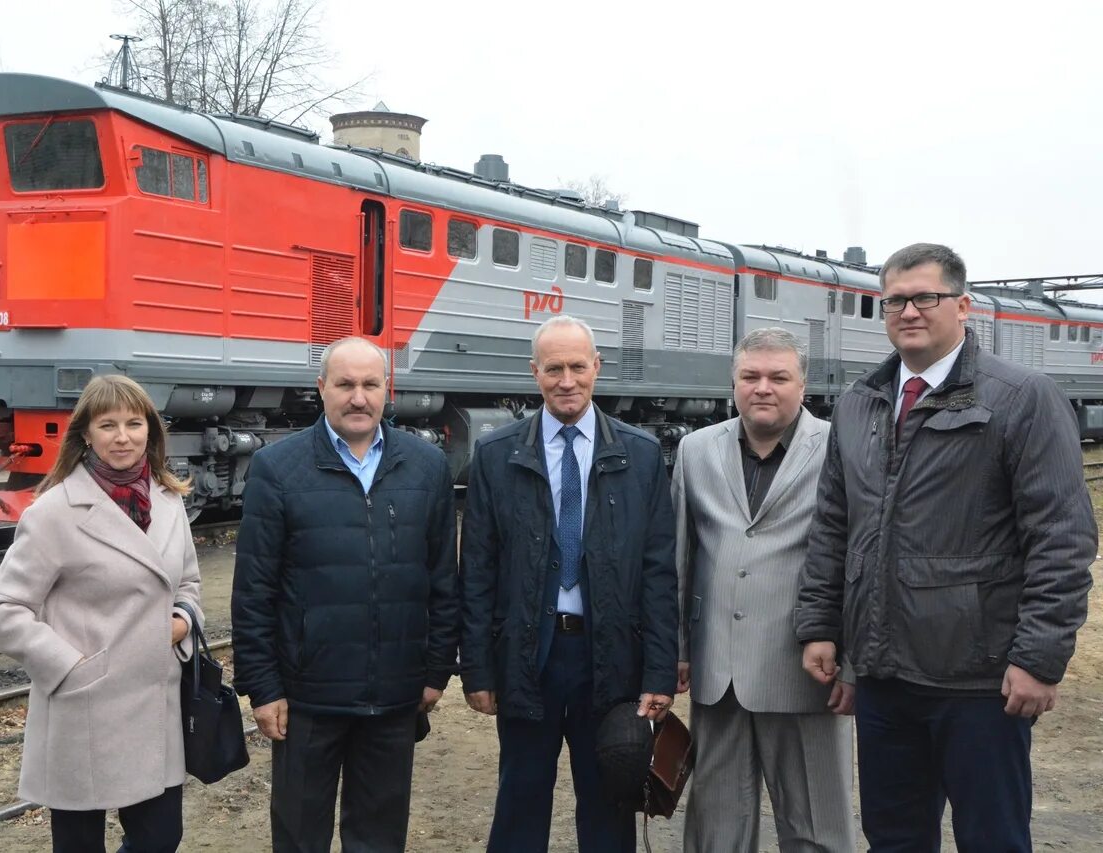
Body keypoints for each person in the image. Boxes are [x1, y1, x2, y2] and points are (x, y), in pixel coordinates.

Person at [795, 243, 1096, 852]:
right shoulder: (860, 404)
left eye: (925, 298)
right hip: (884, 677)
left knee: (992, 837)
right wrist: (821, 627)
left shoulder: (1020, 398)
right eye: (895, 301)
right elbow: (833, 525)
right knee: (894, 838)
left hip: (979, 681)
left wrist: (1038, 659)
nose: (909, 311)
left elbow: (1062, 538)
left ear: (962, 306)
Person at [459, 314, 679, 853]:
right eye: (553, 368)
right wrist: (477, 669)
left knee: (609, 797)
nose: (566, 380)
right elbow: (478, 571)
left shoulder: (640, 454)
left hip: (608, 656)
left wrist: (658, 671)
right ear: (534, 373)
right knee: (520, 797)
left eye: (577, 367)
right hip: (527, 655)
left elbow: (657, 570)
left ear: (597, 368)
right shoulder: (496, 455)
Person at [232, 335, 459, 853]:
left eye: (370, 385)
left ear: (387, 390)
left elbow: (444, 580)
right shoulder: (278, 470)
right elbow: (254, 591)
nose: (358, 397)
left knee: (379, 838)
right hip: (306, 696)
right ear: (321, 388)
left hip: (395, 695)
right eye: (345, 384)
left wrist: (435, 670)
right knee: (299, 836)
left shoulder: (425, 468)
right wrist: (262, 687)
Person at [0, 374, 202, 853]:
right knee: (80, 845)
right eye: (108, 425)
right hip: (85, 704)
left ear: (151, 430)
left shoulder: (167, 501)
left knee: (162, 837)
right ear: (85, 434)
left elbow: (188, 582)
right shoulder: (54, 513)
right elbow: (2, 609)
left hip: (153, 705)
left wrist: (182, 621)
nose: (123, 437)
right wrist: (70, 668)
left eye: (133, 423)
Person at [672, 327, 855, 853]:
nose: (763, 388)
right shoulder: (695, 450)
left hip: (808, 670)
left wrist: (855, 663)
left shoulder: (840, 449)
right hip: (717, 672)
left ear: (804, 385)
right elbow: (681, 559)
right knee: (715, 829)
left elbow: (859, 560)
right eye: (750, 376)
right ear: (733, 383)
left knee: (816, 826)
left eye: (779, 377)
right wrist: (678, 651)